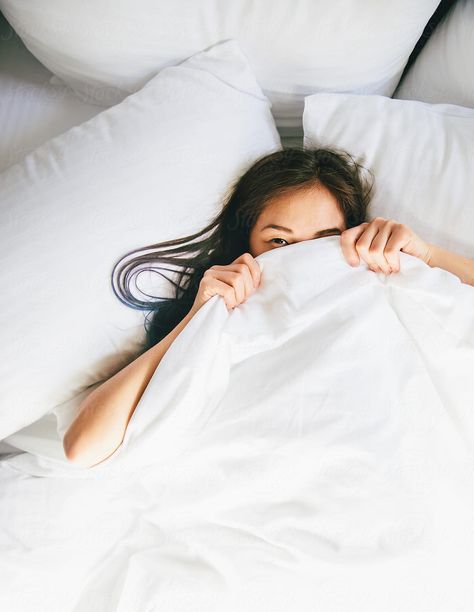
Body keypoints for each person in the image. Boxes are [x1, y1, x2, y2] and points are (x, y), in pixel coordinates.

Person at [63, 147, 474, 468]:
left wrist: (428, 253)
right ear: (248, 245)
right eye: (279, 242)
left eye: (324, 239)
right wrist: (196, 318)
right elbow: (83, 446)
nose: (303, 257)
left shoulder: (379, 275)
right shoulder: (222, 311)